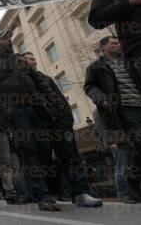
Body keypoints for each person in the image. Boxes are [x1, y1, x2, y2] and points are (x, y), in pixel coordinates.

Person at [0, 29, 62, 211]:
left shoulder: (20, 59)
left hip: (36, 108)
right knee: (28, 149)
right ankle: (42, 195)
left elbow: (39, 81)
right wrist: (2, 113)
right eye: (3, 38)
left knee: (43, 149)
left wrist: (52, 101)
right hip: (15, 111)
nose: (8, 40)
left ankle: (39, 191)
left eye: (8, 37)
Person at [85, 36, 141, 203]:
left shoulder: (130, 62)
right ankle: (133, 179)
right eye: (114, 43)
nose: (119, 44)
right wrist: (101, 99)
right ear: (103, 47)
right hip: (127, 111)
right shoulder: (96, 67)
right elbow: (89, 87)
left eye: (119, 42)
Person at [22, 52, 103, 207]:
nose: (33, 61)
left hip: (59, 122)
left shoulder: (45, 78)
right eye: (29, 59)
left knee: (71, 157)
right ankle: (47, 195)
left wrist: (67, 116)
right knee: (43, 161)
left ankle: (80, 193)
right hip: (37, 125)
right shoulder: (19, 81)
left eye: (34, 58)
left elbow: (58, 97)